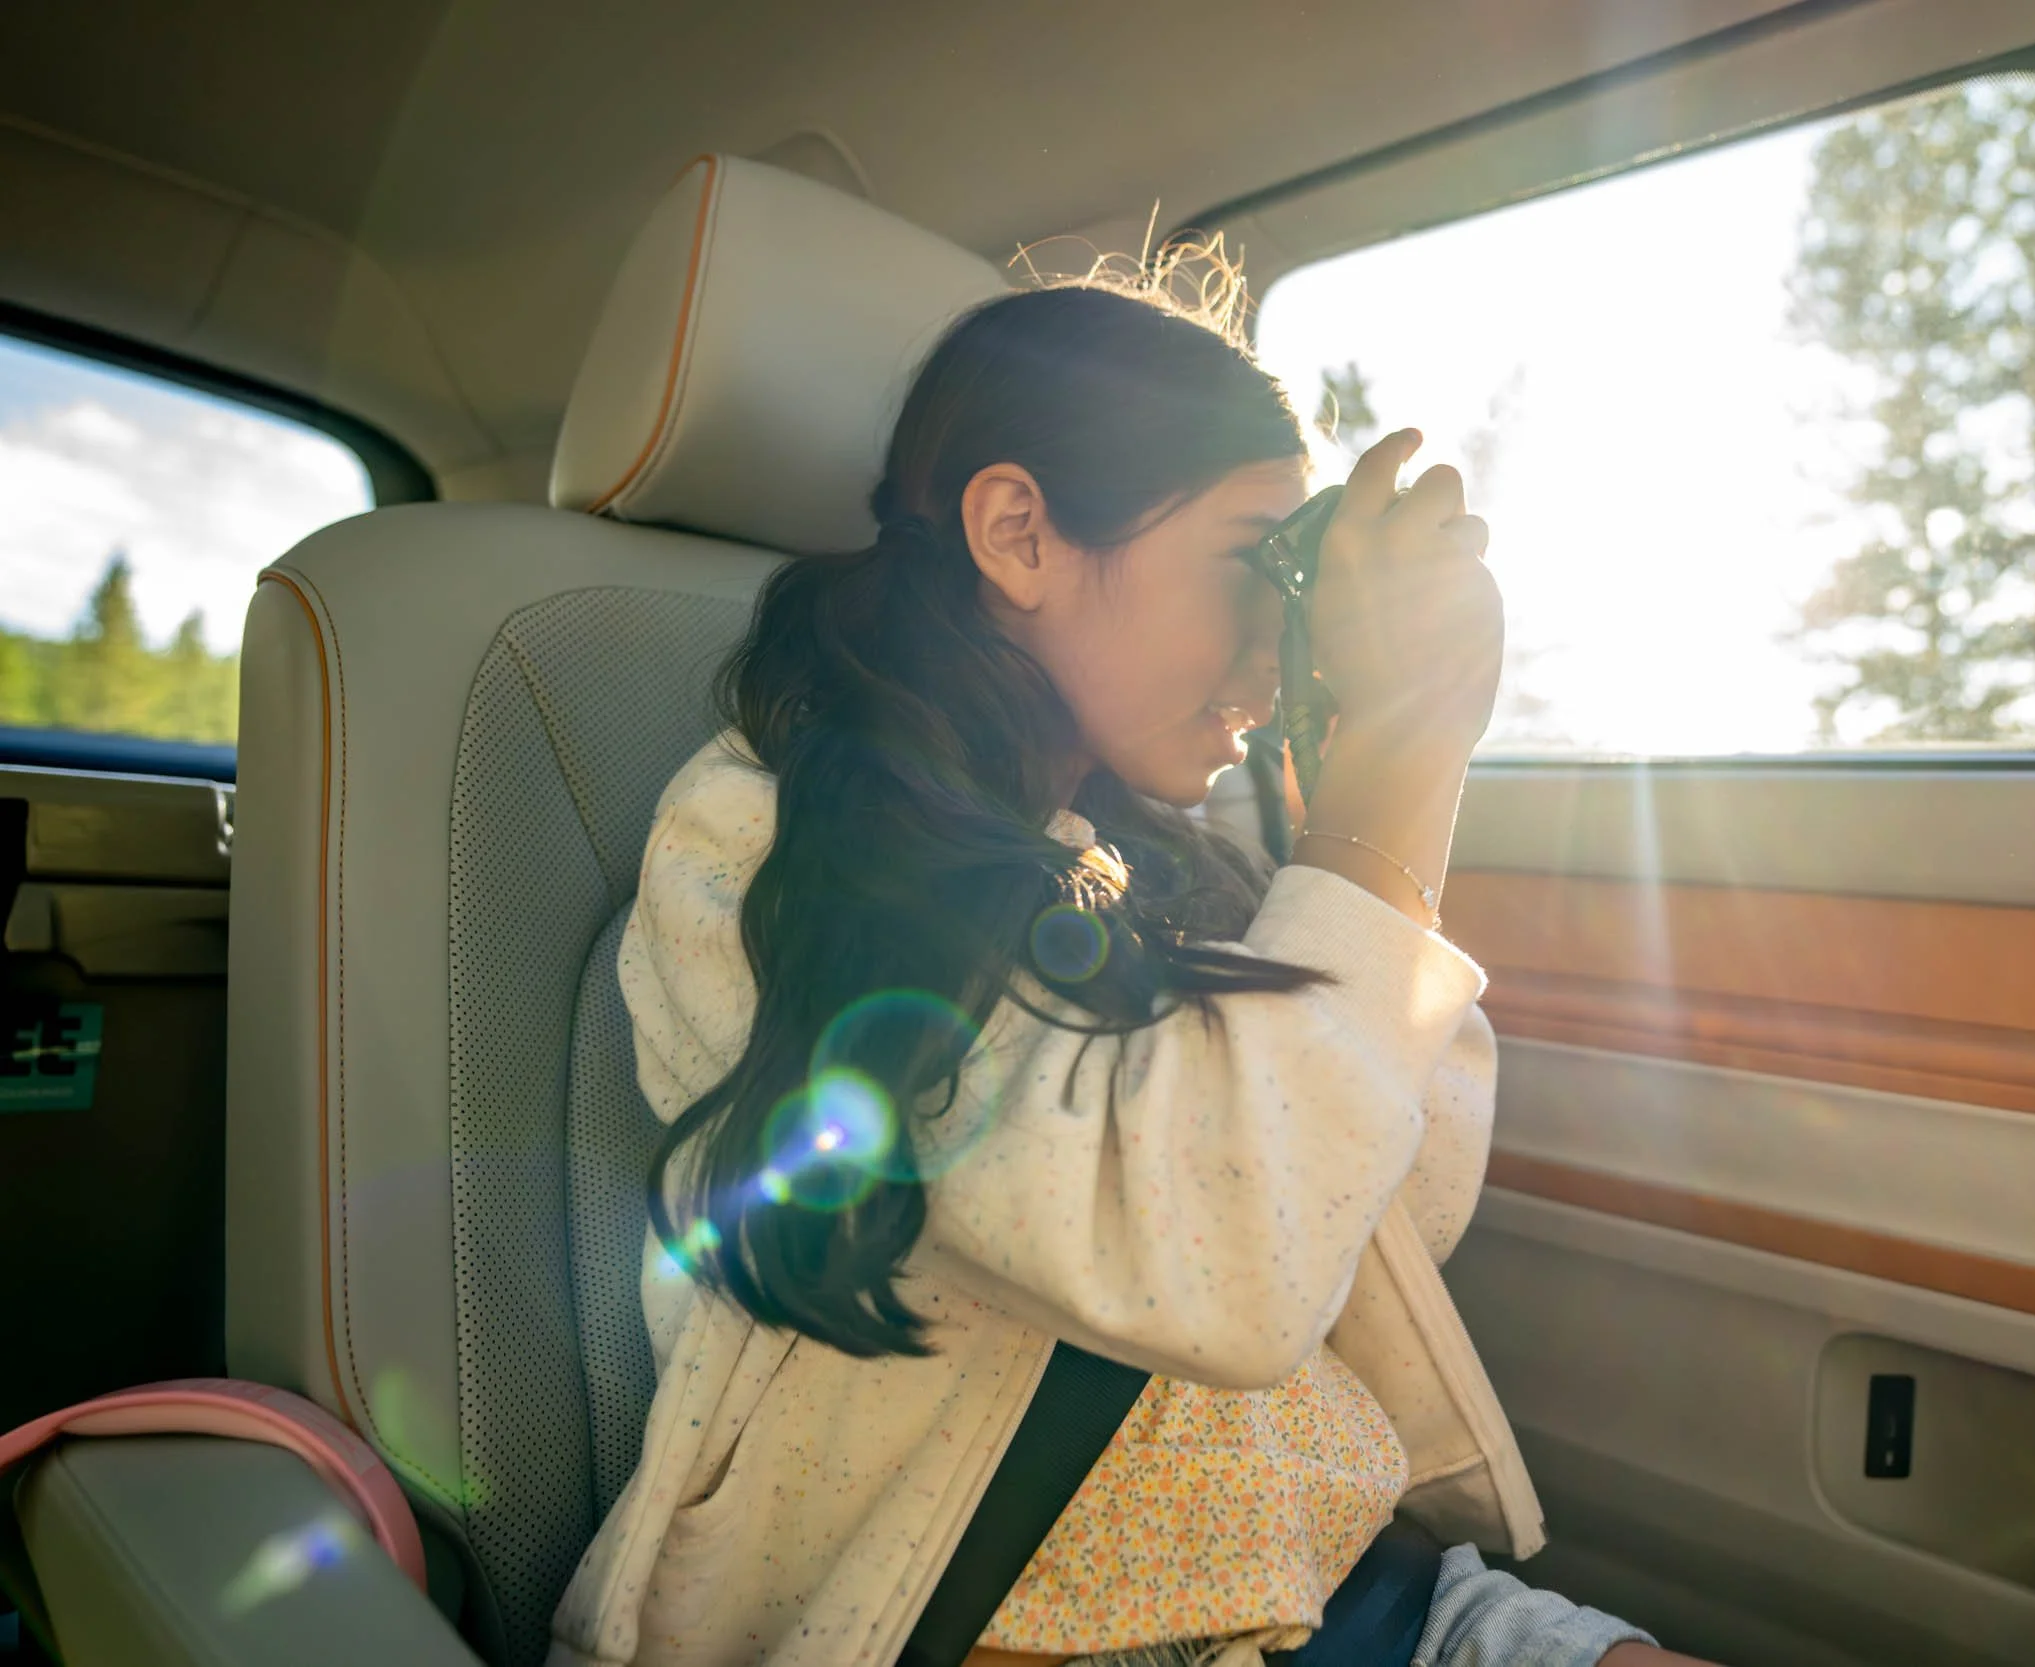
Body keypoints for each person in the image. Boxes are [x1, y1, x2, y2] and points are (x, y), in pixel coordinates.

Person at [547, 256, 1717, 1667]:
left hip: (1343, 1592)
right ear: (1021, 533)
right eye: (1254, 565)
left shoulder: (1162, 851)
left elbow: (1389, 1197)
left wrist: (1362, 789)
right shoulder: (764, 847)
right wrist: (1400, 759)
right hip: (988, 1627)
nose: (1281, 648)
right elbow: (1216, 1259)